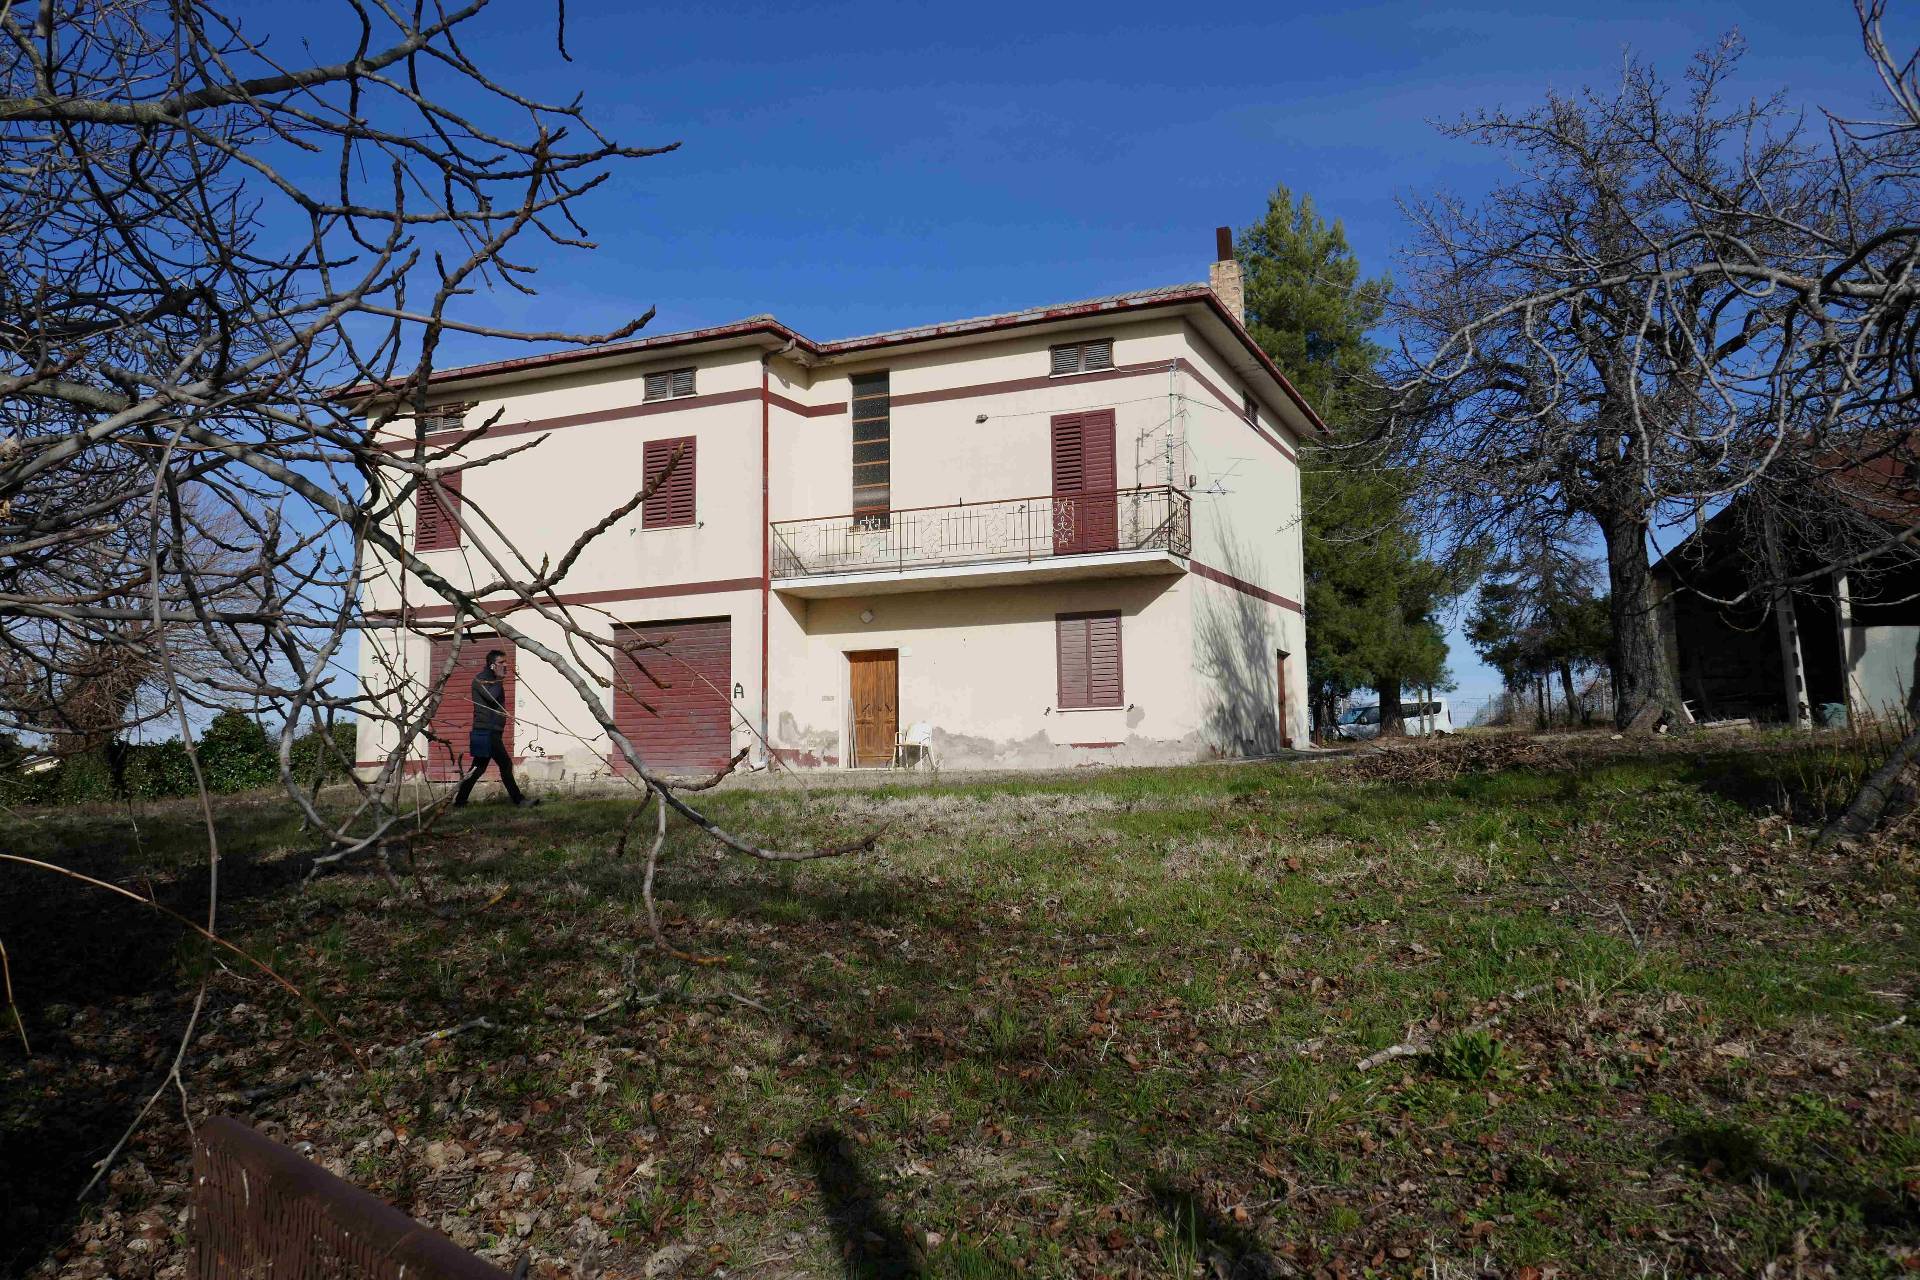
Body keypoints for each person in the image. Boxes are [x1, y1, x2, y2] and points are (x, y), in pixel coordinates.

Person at [453, 649, 538, 807]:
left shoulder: (492, 680)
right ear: (492, 665)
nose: (505, 665)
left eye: (505, 662)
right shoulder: (481, 680)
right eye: (501, 662)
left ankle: (460, 802)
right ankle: (519, 801)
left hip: (491, 731)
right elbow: (492, 698)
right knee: (505, 764)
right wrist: (499, 679)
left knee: (478, 768)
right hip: (486, 731)